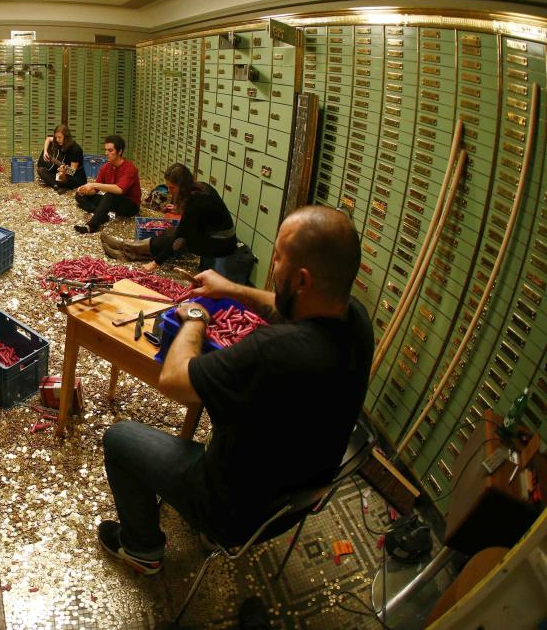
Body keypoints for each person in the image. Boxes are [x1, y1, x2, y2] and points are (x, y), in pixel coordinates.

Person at [97, 205, 374, 575]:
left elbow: (175, 380)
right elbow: (286, 305)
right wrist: (232, 289)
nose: (272, 266)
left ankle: (141, 548)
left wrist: (196, 319)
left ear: (303, 280)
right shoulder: (356, 321)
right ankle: (204, 534)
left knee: (118, 438)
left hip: (229, 506)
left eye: (278, 258)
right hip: (294, 500)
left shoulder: (272, 352)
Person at [101, 163, 238, 272]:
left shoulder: (197, 200)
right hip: (211, 235)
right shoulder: (200, 187)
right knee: (171, 233)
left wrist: (155, 264)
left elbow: (180, 237)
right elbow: (199, 216)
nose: (170, 192)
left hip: (220, 243)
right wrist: (179, 209)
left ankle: (125, 248)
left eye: (172, 188)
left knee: (174, 236)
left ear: (182, 186)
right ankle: (127, 251)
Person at [74, 135, 140, 233]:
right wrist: (85, 191)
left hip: (130, 205)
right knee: (79, 196)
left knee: (110, 195)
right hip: (112, 201)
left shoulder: (130, 168)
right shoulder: (105, 167)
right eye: (106, 150)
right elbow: (94, 191)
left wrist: (93, 185)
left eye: (110, 150)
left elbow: (119, 190)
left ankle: (91, 226)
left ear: (120, 151)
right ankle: (102, 215)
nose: (106, 153)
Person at [37, 123, 85, 191]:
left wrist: (64, 171)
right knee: (40, 170)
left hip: (75, 177)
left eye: (59, 137)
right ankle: (56, 185)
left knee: (60, 177)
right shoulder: (60, 142)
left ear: (66, 137)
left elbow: (72, 172)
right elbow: (48, 139)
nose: (57, 139)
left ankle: (56, 184)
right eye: (56, 137)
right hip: (62, 169)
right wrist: (45, 151)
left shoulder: (75, 150)